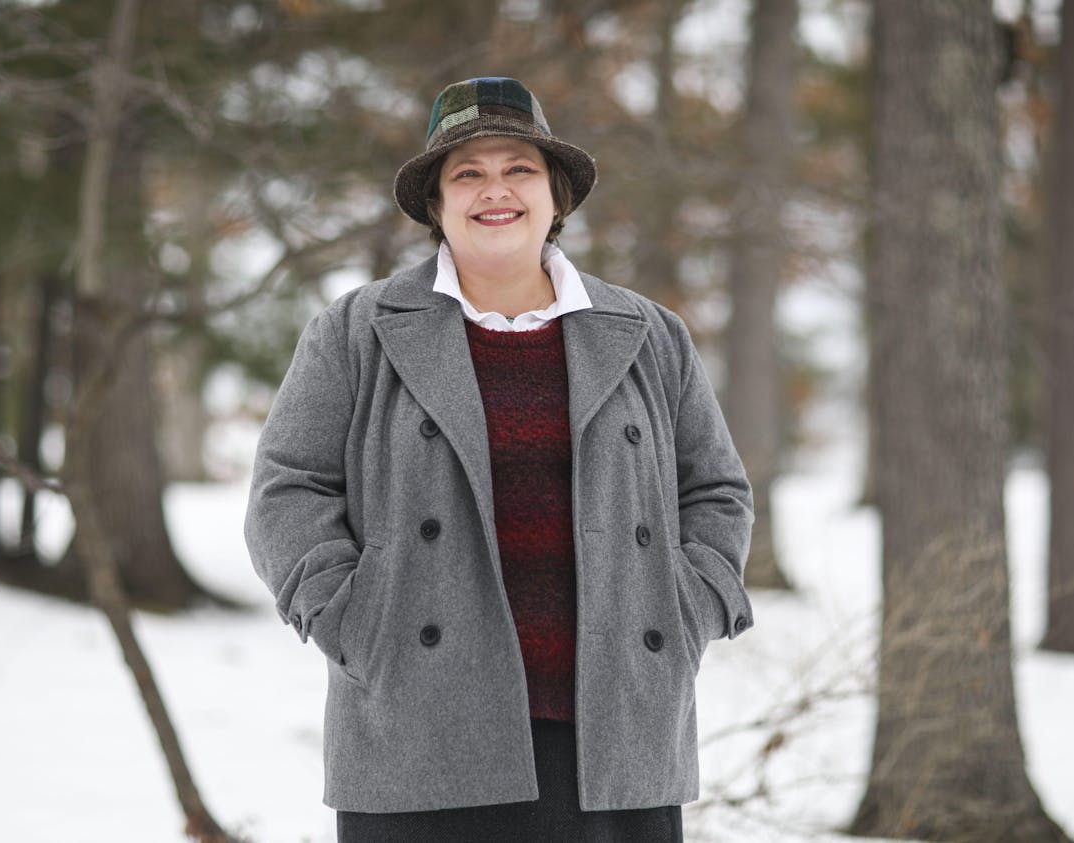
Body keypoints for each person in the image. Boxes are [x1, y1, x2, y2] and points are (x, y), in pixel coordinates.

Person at [244, 76, 754, 842]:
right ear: (435, 203)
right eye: (467, 173)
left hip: (612, 729)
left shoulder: (649, 333)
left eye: (519, 169)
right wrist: (353, 618)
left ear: (555, 196)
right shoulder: (355, 330)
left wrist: (687, 605)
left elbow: (715, 490)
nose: (495, 190)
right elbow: (287, 489)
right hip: (415, 723)